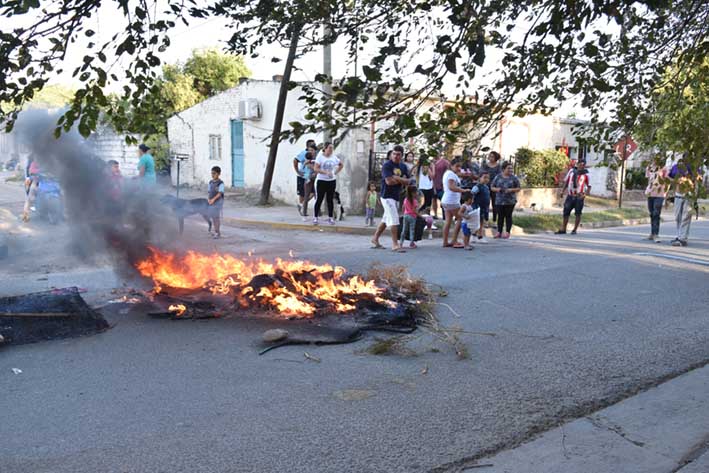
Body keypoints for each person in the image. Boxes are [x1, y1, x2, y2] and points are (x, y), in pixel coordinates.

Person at [371, 145, 412, 252]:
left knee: (386, 219)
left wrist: (396, 178)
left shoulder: (403, 167)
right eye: (394, 154)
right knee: (394, 219)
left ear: (402, 156)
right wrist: (401, 179)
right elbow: (388, 182)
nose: (395, 156)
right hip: (387, 196)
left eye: (398, 154)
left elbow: (408, 181)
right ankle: (395, 244)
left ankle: (375, 239)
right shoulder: (387, 165)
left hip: (396, 196)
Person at [555, 159, 591, 235]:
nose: (581, 166)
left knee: (578, 213)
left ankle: (574, 229)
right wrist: (562, 191)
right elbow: (567, 181)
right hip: (570, 196)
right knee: (566, 212)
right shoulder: (571, 171)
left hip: (579, 197)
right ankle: (563, 229)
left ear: (584, 166)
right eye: (580, 164)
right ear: (577, 164)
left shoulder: (586, 175)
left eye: (583, 165)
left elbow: (589, 186)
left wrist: (584, 195)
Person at [312, 142, 343, 225]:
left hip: (331, 181)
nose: (331, 150)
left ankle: (330, 217)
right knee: (319, 199)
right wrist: (325, 172)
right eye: (329, 148)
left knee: (330, 199)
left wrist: (335, 173)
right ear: (325, 148)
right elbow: (315, 168)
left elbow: (340, 165)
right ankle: (315, 217)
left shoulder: (334, 157)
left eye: (332, 148)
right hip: (321, 180)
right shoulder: (320, 157)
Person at [668, 158, 695, 247]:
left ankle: (682, 238)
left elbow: (698, 178)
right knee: (677, 216)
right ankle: (679, 235)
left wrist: (687, 180)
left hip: (688, 195)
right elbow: (669, 177)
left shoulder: (693, 166)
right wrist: (676, 181)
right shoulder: (675, 167)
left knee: (685, 217)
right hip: (678, 194)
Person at [490, 161, 521, 239]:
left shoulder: (514, 178)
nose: (510, 170)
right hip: (499, 200)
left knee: (508, 216)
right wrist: (497, 189)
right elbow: (492, 187)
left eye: (511, 168)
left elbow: (519, 188)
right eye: (508, 168)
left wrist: (511, 190)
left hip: (510, 201)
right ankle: (499, 232)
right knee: (500, 216)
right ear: (503, 169)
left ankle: (507, 232)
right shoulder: (498, 177)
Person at [441, 159, 466, 248]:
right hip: (452, 201)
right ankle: (454, 240)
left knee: (448, 221)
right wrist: (463, 190)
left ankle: (445, 241)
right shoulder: (451, 174)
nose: (459, 168)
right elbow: (451, 187)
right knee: (460, 218)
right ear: (451, 166)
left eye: (460, 166)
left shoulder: (448, 173)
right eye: (457, 166)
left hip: (446, 200)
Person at [645, 160, 669, 242]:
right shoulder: (649, 168)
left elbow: (667, 182)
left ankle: (656, 234)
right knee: (651, 214)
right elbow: (648, 180)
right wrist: (648, 190)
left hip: (660, 194)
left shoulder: (664, 169)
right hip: (650, 193)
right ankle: (652, 233)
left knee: (656, 213)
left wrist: (666, 193)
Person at [294, 138, 316, 216]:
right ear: (307, 146)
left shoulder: (314, 154)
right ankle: (302, 208)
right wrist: (298, 171)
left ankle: (302, 205)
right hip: (302, 176)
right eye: (312, 145)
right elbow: (295, 160)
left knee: (313, 193)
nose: (314, 146)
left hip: (309, 176)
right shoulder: (304, 153)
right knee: (302, 194)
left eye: (314, 144)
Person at [481, 151, 502, 223]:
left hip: (494, 187)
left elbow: (499, 176)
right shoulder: (485, 165)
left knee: (495, 204)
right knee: (486, 204)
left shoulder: (499, 166)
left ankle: (494, 221)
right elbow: (482, 174)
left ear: (496, 157)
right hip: (486, 186)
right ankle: (486, 220)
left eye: (492, 156)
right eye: (489, 156)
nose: (490, 158)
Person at [471, 172, 491, 243]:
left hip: (484, 207)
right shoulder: (477, 187)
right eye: (484, 177)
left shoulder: (486, 187)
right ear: (480, 178)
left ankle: (477, 235)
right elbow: (472, 194)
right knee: (477, 222)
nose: (486, 179)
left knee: (481, 222)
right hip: (477, 207)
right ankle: (476, 236)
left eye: (488, 178)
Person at [399, 184, 419, 249]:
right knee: (411, 230)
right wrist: (421, 216)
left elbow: (403, 207)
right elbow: (415, 211)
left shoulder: (405, 199)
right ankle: (411, 244)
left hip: (406, 216)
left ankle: (401, 243)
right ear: (413, 193)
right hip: (412, 217)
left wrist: (403, 213)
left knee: (404, 230)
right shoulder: (415, 201)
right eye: (416, 192)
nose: (417, 193)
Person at [207, 166, 225, 239]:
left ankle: (217, 232)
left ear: (219, 174)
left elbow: (220, 193)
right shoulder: (210, 182)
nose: (212, 175)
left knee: (216, 217)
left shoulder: (220, 183)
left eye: (214, 173)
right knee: (213, 217)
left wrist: (213, 200)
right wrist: (209, 199)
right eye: (212, 173)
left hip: (218, 202)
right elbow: (209, 192)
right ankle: (216, 231)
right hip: (211, 202)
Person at [300, 145, 317, 220]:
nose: (310, 152)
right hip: (308, 179)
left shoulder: (316, 159)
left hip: (316, 179)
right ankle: (304, 214)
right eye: (309, 150)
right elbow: (302, 169)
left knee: (316, 196)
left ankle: (317, 214)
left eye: (312, 150)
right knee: (306, 196)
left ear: (315, 151)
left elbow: (317, 168)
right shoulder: (306, 159)